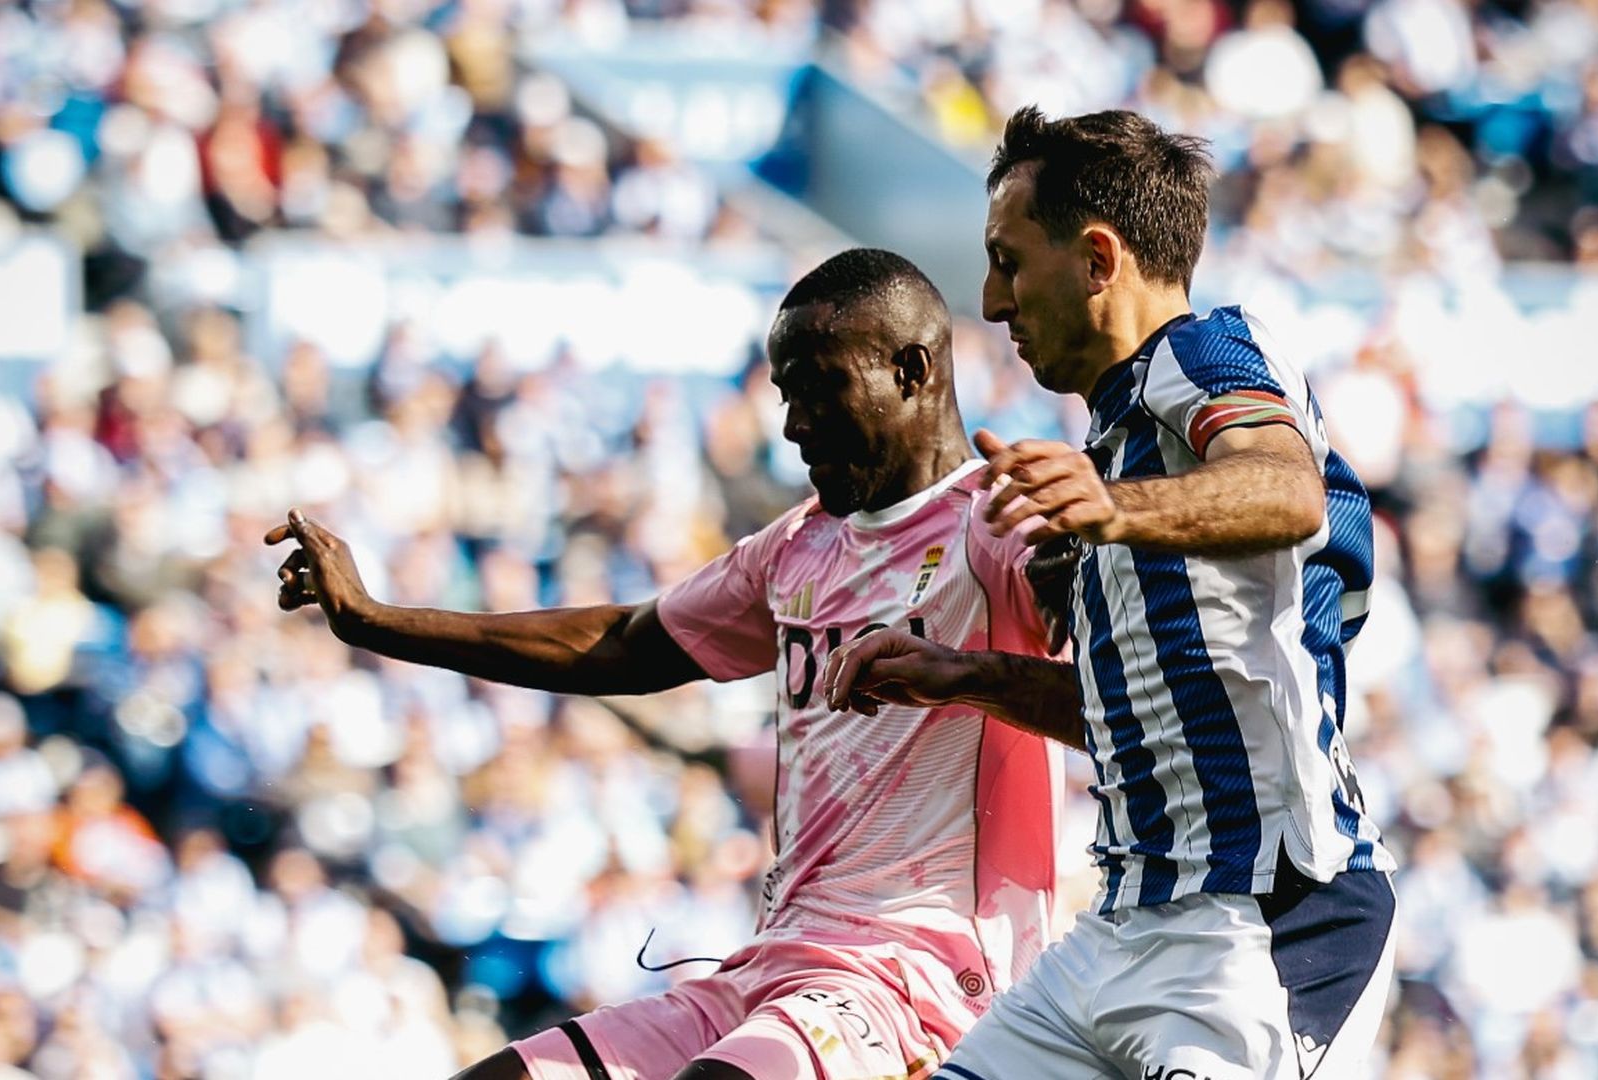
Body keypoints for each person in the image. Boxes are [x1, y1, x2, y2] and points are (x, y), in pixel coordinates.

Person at [265, 248, 1062, 1080]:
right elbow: (622, 643)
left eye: (819, 389)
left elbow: (1101, 653)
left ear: (912, 370)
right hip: (772, 967)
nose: (793, 427)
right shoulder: (794, 548)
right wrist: (373, 620)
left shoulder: (998, 523)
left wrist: (1077, 566)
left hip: (917, 980)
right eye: (786, 397)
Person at [825, 108, 1397, 1080]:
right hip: (1116, 938)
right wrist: (964, 675)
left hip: (1262, 927)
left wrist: (1112, 509)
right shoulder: (1123, 452)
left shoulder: (1203, 351)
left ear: (1097, 258)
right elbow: (1136, 717)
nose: (994, 301)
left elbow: (1291, 489)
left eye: (1008, 260)